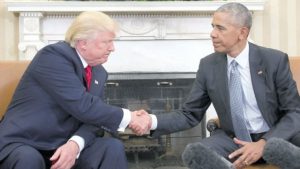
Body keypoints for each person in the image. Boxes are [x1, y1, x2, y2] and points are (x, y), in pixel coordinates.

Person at [133, 2, 300, 169]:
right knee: (195, 152)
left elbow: (294, 112)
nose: (212, 34)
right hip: (233, 140)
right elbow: (189, 114)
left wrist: (264, 143)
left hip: (275, 137)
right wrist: (151, 121)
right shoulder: (208, 66)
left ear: (242, 32)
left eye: (220, 28)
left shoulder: (273, 60)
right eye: (213, 27)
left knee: (281, 148)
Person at [0, 11, 151, 169]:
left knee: (111, 148)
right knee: (28, 158)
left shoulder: (99, 72)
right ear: (82, 42)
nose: (112, 48)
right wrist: (130, 117)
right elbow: (83, 105)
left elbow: (95, 119)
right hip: (25, 141)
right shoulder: (53, 56)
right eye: (106, 42)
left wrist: (75, 144)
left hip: (62, 143)